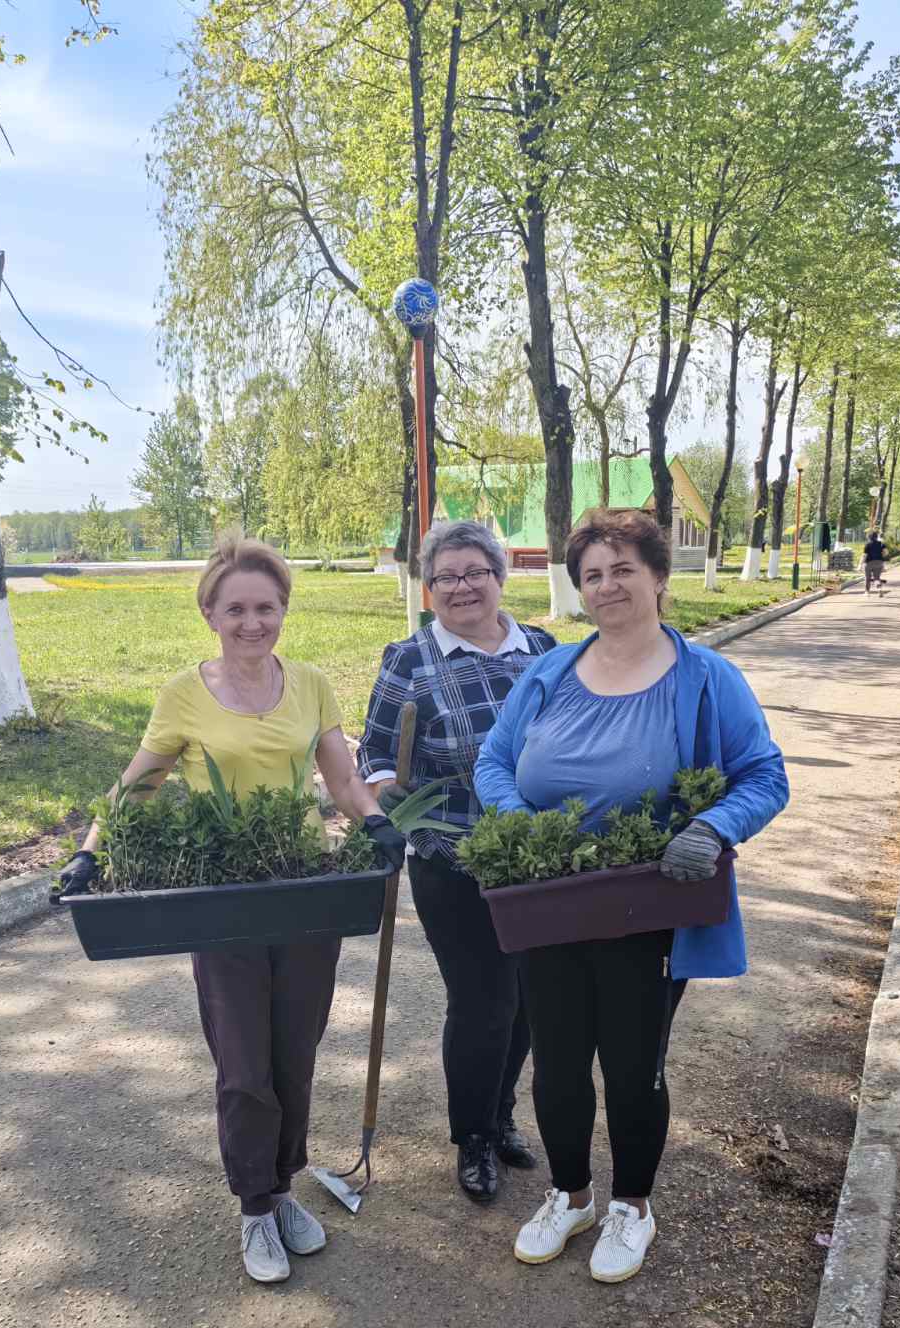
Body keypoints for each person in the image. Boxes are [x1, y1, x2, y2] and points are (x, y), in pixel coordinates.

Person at [56, 539, 403, 1285]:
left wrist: (376, 823)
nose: (253, 623)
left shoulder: (310, 684)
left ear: (284, 611)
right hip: (223, 902)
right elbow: (137, 784)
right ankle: (253, 1205)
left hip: (302, 891)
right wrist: (90, 852)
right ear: (210, 613)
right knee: (244, 1062)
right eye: (236, 608)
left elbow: (343, 780)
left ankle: (282, 1187)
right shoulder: (185, 693)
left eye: (266, 608)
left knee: (295, 1053)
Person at [475, 508, 788, 1284]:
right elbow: (493, 762)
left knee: (631, 1063)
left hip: (649, 907)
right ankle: (571, 1195)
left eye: (622, 570)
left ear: (657, 577)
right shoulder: (548, 675)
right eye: (592, 574)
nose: (607, 586)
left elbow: (764, 775)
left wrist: (713, 827)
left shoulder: (705, 678)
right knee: (555, 1062)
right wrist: (523, 826)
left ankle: (632, 1207)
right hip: (549, 900)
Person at [358, 521, 557, 1202]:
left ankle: (501, 1115)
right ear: (428, 588)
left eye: (475, 572)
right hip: (453, 857)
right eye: (445, 577)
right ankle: (472, 1136)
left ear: (500, 577)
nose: (461, 587)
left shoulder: (543, 650)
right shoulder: (409, 659)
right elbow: (375, 753)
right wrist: (387, 800)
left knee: (529, 999)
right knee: (483, 1003)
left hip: (539, 859)